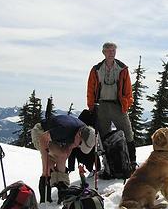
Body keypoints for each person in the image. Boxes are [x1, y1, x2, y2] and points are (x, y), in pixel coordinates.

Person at [87, 42, 137, 177]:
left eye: (113, 50)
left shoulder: (122, 68)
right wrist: (92, 106)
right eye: (109, 50)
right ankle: (108, 165)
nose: (112, 53)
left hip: (118, 106)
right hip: (101, 106)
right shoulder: (96, 69)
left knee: (128, 133)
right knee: (103, 137)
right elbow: (91, 89)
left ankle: (132, 163)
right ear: (103, 52)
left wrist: (125, 105)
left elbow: (128, 91)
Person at [31, 114, 96, 203]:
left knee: (62, 156)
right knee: (48, 167)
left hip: (54, 137)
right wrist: (47, 162)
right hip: (40, 132)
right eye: (80, 144)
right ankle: (45, 199)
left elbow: (69, 148)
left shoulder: (84, 130)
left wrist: (60, 164)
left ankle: (62, 191)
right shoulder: (64, 129)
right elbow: (43, 139)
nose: (79, 146)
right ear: (79, 135)